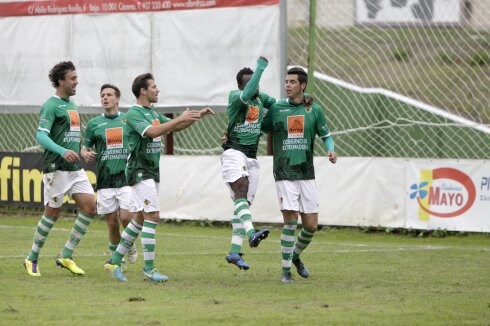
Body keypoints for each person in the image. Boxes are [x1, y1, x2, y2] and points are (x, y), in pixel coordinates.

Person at [104, 73, 214, 282]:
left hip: (152, 170)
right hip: (139, 170)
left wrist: (197, 115)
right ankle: (149, 269)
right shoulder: (135, 113)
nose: (158, 90)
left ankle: (114, 261)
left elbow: (175, 126)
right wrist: (179, 118)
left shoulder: (151, 112)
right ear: (143, 91)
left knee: (139, 219)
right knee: (153, 216)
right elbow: (153, 132)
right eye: (154, 87)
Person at [261, 67, 337, 284]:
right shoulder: (277, 108)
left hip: (307, 173)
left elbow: (327, 135)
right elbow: (259, 130)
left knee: (311, 225)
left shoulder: (314, 110)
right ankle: (285, 272)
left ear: (303, 85)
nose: (287, 85)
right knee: (291, 221)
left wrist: (331, 149)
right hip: (284, 172)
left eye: (292, 82)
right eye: (286, 81)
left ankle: (294, 255)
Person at [24, 61, 97, 277]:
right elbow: (40, 136)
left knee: (90, 207)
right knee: (53, 213)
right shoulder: (51, 105)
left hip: (75, 168)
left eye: (76, 78)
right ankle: (32, 258)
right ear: (60, 81)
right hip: (56, 169)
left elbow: (73, 137)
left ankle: (66, 254)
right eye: (72, 78)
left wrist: (82, 152)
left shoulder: (71, 106)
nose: (77, 82)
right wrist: (62, 151)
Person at [221, 57, 277, 270]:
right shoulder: (236, 96)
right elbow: (246, 93)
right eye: (249, 82)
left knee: (242, 204)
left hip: (252, 157)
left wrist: (304, 100)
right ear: (240, 85)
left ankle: (235, 252)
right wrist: (261, 69)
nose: (254, 86)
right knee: (241, 189)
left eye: (256, 83)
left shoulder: (259, 98)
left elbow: (277, 104)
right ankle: (251, 232)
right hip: (234, 152)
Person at [80, 84, 138, 267]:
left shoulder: (129, 120)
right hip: (105, 180)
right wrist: (85, 153)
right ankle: (116, 261)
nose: (105, 98)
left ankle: (129, 244)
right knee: (112, 223)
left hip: (126, 179)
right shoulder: (94, 124)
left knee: (127, 218)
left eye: (109, 95)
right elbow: (85, 147)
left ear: (117, 99)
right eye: (102, 95)